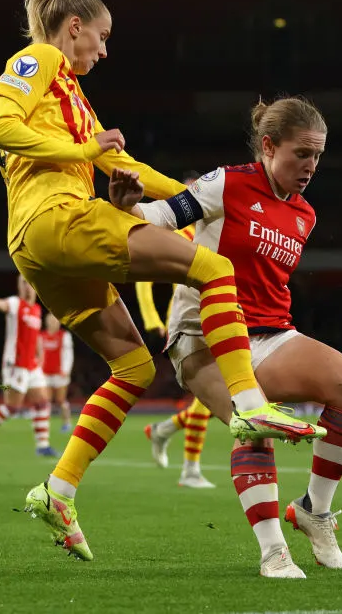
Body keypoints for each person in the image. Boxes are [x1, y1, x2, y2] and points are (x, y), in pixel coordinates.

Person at [0, 0, 324, 561]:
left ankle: (57, 490)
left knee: (134, 368)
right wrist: (85, 154)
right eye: (102, 36)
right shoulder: (38, 57)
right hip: (57, 220)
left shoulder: (74, 97)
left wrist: (192, 192)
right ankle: (248, 405)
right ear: (75, 27)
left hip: (38, 247)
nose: (105, 50)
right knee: (214, 268)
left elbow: (126, 164)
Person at [112, 96, 342, 579]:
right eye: (302, 154)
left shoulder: (305, 215)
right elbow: (162, 216)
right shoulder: (226, 183)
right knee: (254, 423)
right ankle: (273, 551)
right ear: (269, 146)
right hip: (202, 336)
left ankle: (314, 509)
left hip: (270, 333)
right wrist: (126, 207)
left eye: (318, 156)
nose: (311, 166)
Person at [136, 171, 215, 489]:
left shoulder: (213, 231)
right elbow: (146, 275)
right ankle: (190, 470)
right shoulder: (176, 233)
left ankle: (163, 431)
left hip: (217, 318)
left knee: (216, 400)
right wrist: (151, 318)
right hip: (188, 321)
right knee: (211, 399)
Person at [0, 275, 56, 457]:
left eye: (29, 283)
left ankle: (42, 446)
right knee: (12, 407)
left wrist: (41, 354)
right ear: (19, 287)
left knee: (42, 402)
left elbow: (36, 334)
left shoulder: (37, 310)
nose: (27, 287)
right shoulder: (15, 304)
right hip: (15, 365)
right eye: (23, 283)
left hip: (32, 365)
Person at [40, 313, 75, 431]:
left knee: (61, 400)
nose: (52, 323)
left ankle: (67, 422)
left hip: (60, 374)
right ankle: (44, 424)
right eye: (50, 321)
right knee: (45, 400)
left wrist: (66, 370)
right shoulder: (41, 336)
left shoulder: (64, 336)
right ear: (46, 322)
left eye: (55, 321)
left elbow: (68, 355)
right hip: (45, 373)